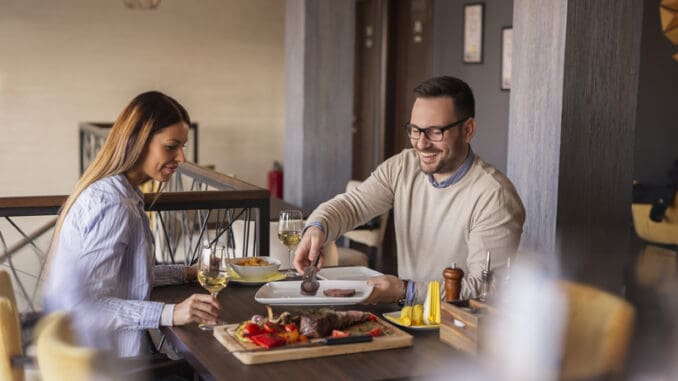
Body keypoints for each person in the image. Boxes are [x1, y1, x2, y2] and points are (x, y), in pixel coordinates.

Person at [294, 76, 525, 304]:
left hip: (456, 332)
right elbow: (352, 206)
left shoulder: (495, 196)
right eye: (415, 130)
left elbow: (485, 291)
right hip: (405, 318)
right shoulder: (404, 165)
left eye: (435, 131)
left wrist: (407, 291)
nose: (421, 143)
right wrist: (317, 227)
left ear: (467, 130)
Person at [43, 91, 221, 357]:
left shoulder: (120, 194)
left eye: (183, 146)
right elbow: (83, 306)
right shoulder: (112, 204)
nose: (182, 158)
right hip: (106, 366)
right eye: (171, 146)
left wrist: (186, 273)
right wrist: (171, 312)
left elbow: (124, 277)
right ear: (138, 140)